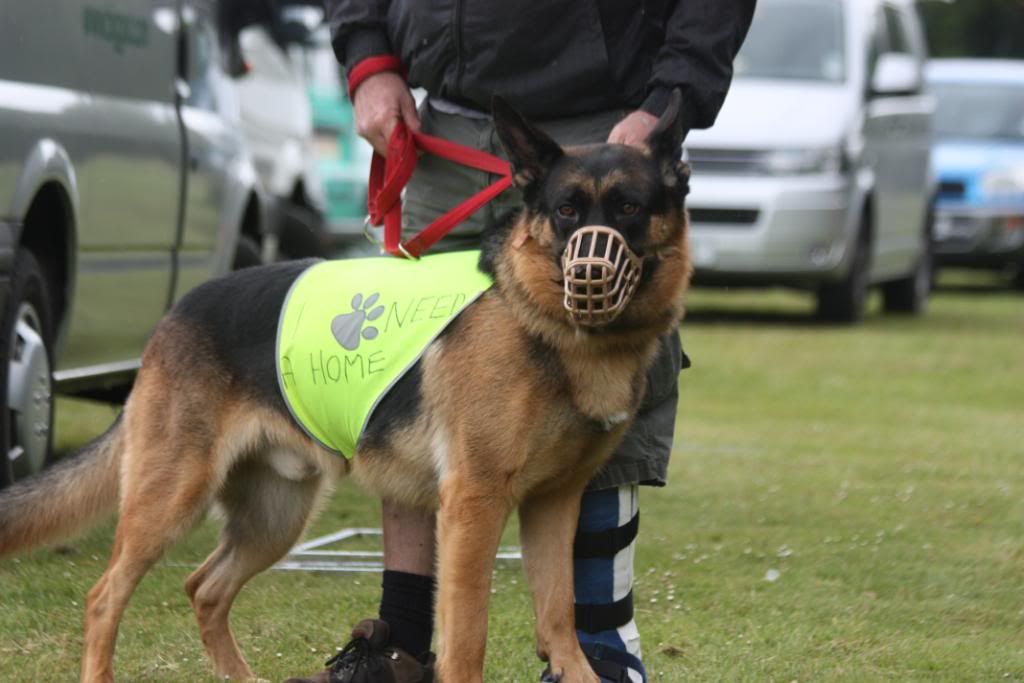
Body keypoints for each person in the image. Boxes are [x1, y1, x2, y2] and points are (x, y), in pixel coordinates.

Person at [286, 2, 755, 682]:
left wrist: (671, 96)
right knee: (412, 378)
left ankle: (598, 643)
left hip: (608, 118)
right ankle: (402, 647)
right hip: (441, 114)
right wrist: (368, 59)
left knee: (607, 360)